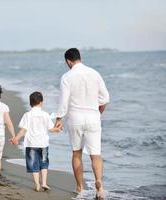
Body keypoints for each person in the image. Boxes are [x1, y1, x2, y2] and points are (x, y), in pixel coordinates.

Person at [55, 48, 109, 199]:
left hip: (76, 118)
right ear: (80, 57)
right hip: (93, 117)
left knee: (76, 153)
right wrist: (99, 112)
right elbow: (105, 98)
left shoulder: (67, 76)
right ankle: (99, 185)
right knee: (95, 154)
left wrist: (59, 119)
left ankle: (79, 188)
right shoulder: (94, 73)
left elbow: (63, 102)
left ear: (68, 61)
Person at [11, 91, 61, 192]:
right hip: (43, 144)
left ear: (30, 103)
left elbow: (24, 129)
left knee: (33, 165)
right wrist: (58, 129)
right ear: (41, 102)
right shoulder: (45, 114)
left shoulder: (27, 115)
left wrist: (16, 138)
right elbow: (51, 129)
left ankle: (37, 184)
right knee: (44, 163)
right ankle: (44, 183)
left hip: (31, 144)